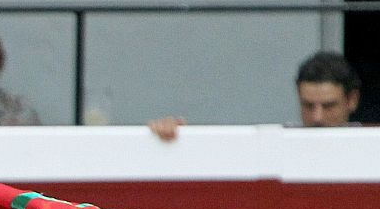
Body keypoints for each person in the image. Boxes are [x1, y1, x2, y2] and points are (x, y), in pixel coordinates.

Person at [149, 51, 362, 140]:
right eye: (308, 105)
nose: (317, 117)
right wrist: (179, 138)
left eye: (328, 106)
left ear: (352, 100)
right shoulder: (277, 140)